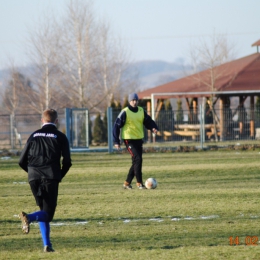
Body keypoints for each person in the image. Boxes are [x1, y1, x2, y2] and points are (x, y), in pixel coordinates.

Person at [18, 108, 72, 253]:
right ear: (57, 121)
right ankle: (28, 217)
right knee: (48, 214)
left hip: (33, 177)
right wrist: (58, 175)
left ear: (42, 120)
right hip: (50, 177)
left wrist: (32, 173)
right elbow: (67, 162)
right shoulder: (61, 136)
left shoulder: (33, 135)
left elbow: (21, 161)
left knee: (44, 211)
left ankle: (47, 245)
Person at [113, 93, 158, 189]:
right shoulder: (125, 112)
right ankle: (139, 183)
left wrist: (153, 128)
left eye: (136, 100)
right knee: (138, 159)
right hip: (128, 140)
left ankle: (127, 183)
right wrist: (116, 141)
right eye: (133, 100)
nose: (134, 102)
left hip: (138, 140)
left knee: (136, 162)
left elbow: (148, 121)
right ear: (129, 101)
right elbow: (116, 126)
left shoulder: (141, 111)